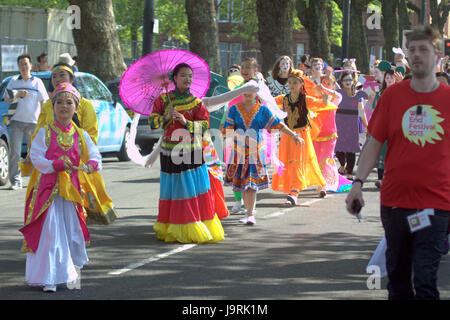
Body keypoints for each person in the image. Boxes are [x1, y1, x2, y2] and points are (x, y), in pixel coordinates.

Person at [346, 25, 450, 300]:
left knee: (426, 280)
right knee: (399, 282)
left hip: (436, 204)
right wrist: (357, 183)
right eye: (411, 50)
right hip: (394, 205)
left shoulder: (448, 100)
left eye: (423, 50)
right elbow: (374, 142)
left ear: (437, 55)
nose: (416, 55)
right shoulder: (392, 96)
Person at [19, 82, 101, 292]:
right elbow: (36, 157)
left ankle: (68, 273)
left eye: (69, 102)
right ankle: (49, 278)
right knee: (50, 234)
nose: (64, 106)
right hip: (48, 192)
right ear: (53, 106)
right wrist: (54, 164)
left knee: (70, 232)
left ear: (76, 107)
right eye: (60, 102)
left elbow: (95, 156)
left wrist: (91, 165)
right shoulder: (45, 132)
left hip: (70, 193)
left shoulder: (80, 134)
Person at [23, 62, 117, 225]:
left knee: (76, 212)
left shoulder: (84, 105)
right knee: (46, 215)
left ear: (72, 79)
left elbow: (90, 136)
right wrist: (32, 154)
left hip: (75, 164)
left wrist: (78, 157)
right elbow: (39, 131)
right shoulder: (47, 105)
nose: (58, 79)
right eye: (54, 76)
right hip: (50, 167)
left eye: (62, 75)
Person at [149, 63, 225, 243]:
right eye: (183, 75)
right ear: (174, 78)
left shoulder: (196, 103)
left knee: (190, 189)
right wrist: (165, 117)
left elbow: (205, 126)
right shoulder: (163, 100)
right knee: (173, 190)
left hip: (191, 152)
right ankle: (173, 225)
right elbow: (153, 123)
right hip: (169, 152)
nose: (187, 79)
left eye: (190, 76)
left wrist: (185, 122)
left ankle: (192, 224)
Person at [222, 89, 303, 224]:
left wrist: (293, 135)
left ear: (256, 93)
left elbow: (278, 124)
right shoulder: (234, 109)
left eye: (252, 90)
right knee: (243, 184)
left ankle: (250, 214)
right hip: (239, 153)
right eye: (246, 90)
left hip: (256, 153)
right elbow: (227, 130)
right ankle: (248, 211)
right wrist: (240, 136)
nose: (248, 93)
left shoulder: (263, 110)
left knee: (251, 184)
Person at [271, 69, 326, 204]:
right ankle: (318, 184)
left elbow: (322, 104)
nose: (292, 85)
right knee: (288, 162)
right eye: (290, 82)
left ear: (301, 84)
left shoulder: (305, 99)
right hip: (287, 136)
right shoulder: (284, 99)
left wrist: (324, 96)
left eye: (295, 83)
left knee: (297, 162)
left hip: (301, 135)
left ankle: (294, 191)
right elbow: (269, 102)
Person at [3, 54, 49, 190]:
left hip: (34, 123)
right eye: (21, 64)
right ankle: (16, 181)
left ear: (31, 66)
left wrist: (43, 120)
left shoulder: (37, 82)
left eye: (26, 64)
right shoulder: (13, 81)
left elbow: (44, 101)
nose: (24, 66)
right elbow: (6, 98)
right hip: (16, 121)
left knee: (35, 152)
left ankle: (37, 180)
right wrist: (17, 94)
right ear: (18, 67)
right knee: (15, 152)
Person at [309, 75, 353, 195]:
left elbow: (338, 96)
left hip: (330, 133)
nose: (325, 85)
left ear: (333, 86)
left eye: (329, 83)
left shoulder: (335, 98)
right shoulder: (314, 98)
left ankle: (325, 185)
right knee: (317, 160)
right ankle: (322, 182)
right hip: (316, 134)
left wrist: (323, 88)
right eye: (323, 82)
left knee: (327, 159)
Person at [335, 71, 368, 179]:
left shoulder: (357, 96)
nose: (347, 82)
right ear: (341, 82)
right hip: (339, 125)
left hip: (352, 125)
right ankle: (342, 165)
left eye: (349, 80)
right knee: (338, 149)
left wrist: (367, 127)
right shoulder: (338, 94)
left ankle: (349, 172)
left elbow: (362, 112)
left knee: (351, 149)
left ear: (353, 81)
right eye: (345, 80)